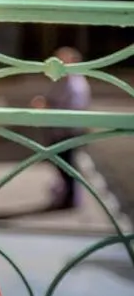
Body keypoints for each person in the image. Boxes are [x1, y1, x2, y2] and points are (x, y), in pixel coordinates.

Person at [30, 46, 91, 210]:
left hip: (67, 131)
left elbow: (71, 107)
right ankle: (65, 195)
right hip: (62, 129)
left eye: (61, 60)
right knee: (63, 164)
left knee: (67, 165)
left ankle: (69, 199)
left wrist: (47, 105)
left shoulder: (74, 83)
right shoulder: (66, 80)